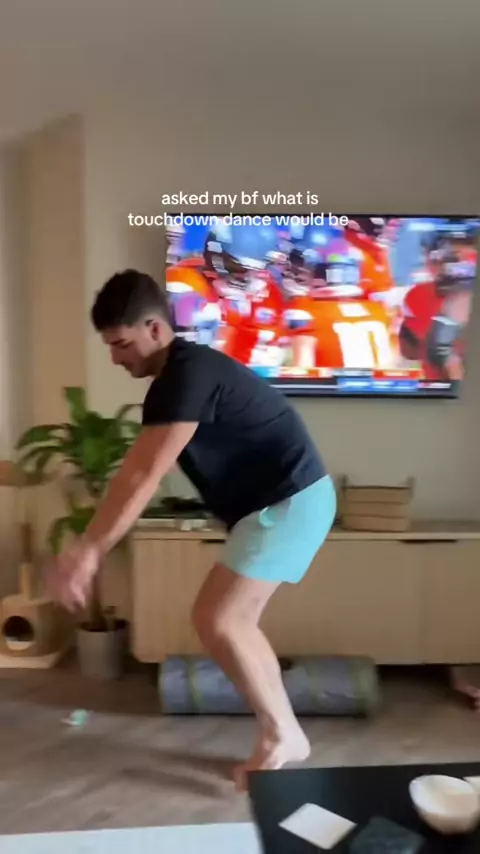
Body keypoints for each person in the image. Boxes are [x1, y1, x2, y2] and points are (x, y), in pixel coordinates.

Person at [46, 269, 337, 790]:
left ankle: (281, 734)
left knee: (219, 617)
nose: (116, 358)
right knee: (233, 620)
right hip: (288, 502)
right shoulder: (180, 376)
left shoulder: (187, 374)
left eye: (121, 344)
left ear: (156, 329)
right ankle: (286, 732)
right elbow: (138, 469)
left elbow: (142, 475)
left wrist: (89, 550)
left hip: (290, 501)